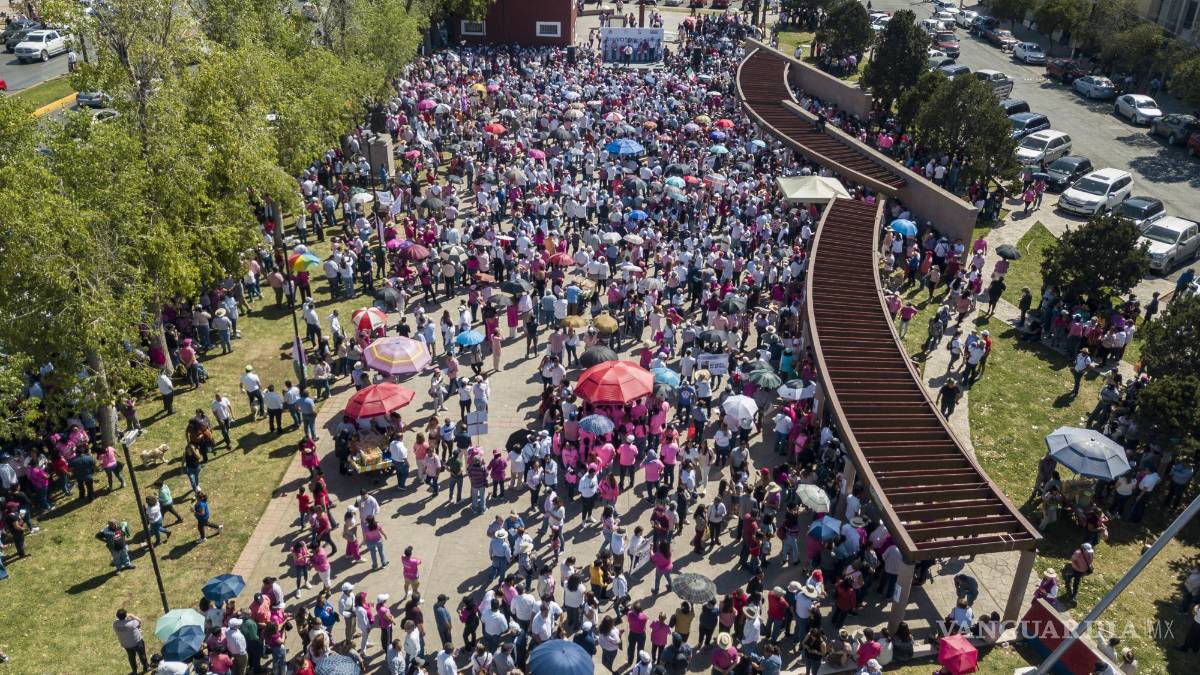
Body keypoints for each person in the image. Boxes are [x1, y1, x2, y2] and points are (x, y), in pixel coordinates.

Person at [113, 609, 150, 674]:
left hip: (126, 645)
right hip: (137, 642)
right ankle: (146, 667)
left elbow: (118, 621)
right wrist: (131, 615)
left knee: (131, 658)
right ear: (126, 615)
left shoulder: (115, 624)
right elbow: (140, 621)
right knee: (142, 655)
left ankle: (134, 671)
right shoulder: (132, 623)